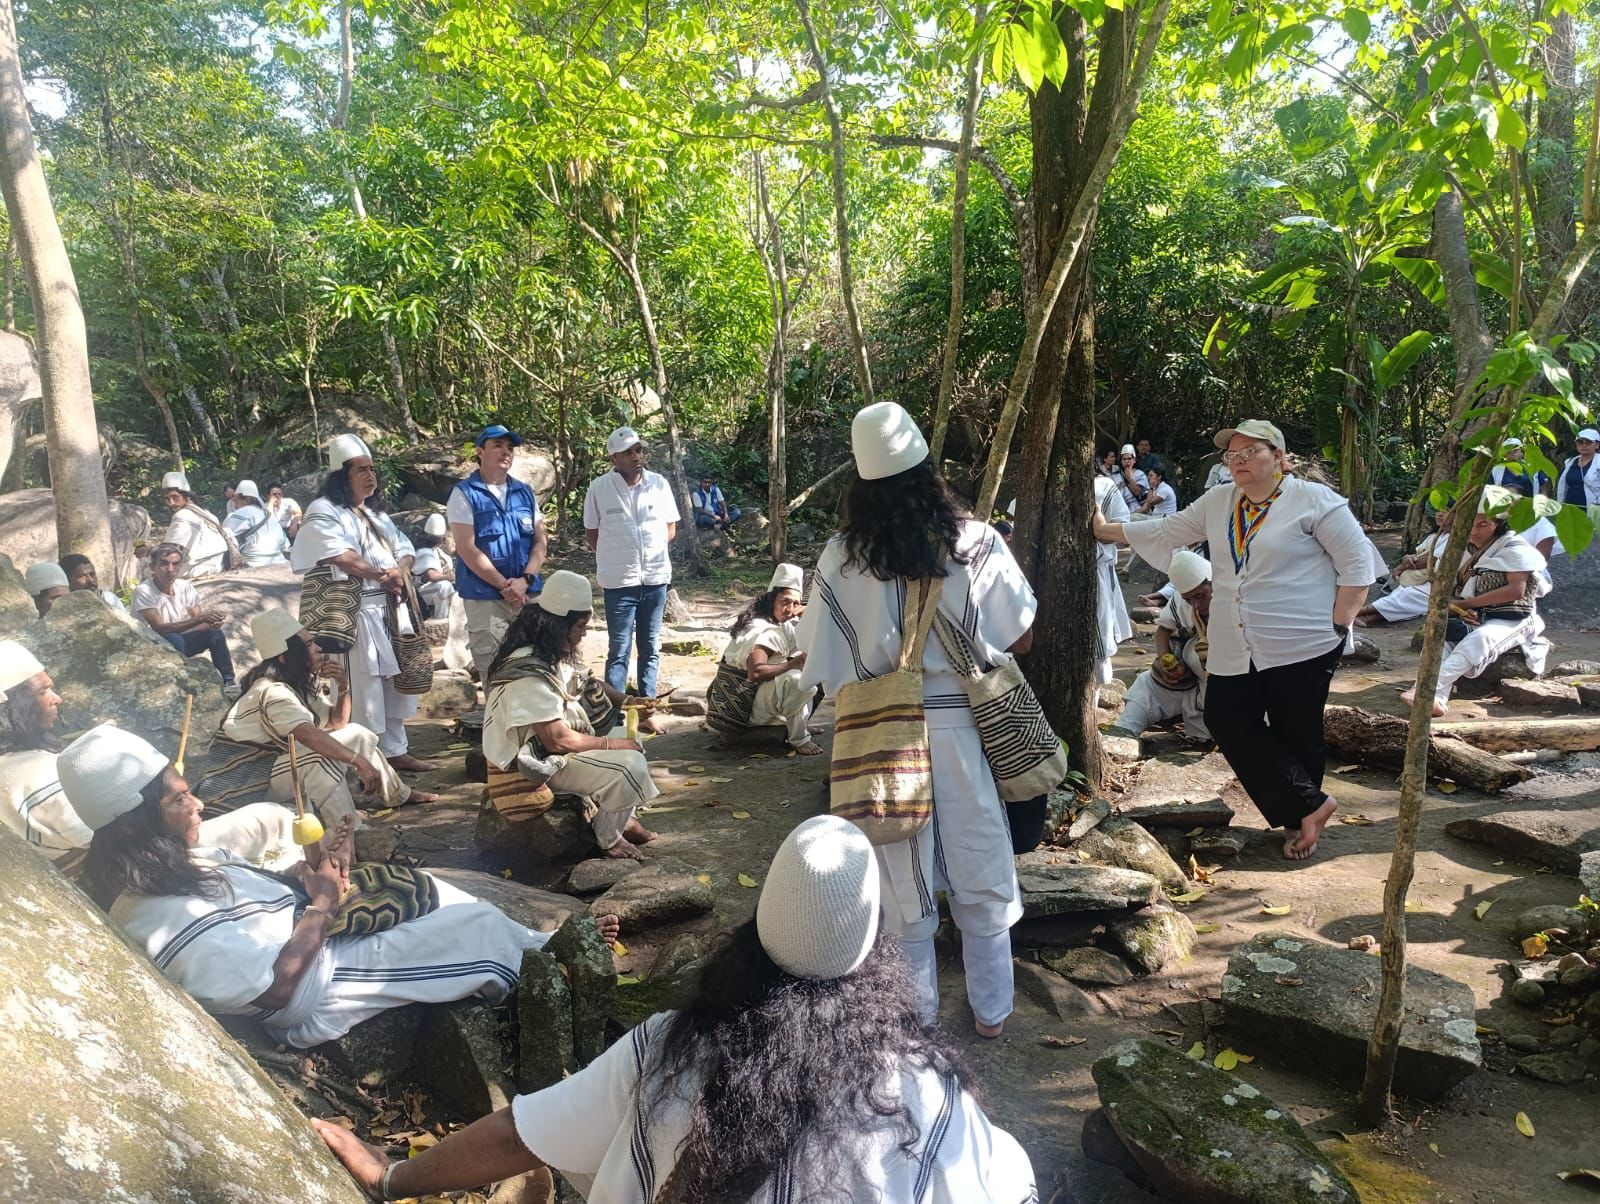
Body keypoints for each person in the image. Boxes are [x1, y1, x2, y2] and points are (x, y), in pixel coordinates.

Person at [314, 814, 1036, 1204]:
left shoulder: (672, 1049)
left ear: (754, 930)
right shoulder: (925, 1086)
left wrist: (390, 1176)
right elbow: (998, 1177)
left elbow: (520, 1134)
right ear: (877, 951)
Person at [66, 723, 619, 1048]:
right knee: (475, 930)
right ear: (133, 825)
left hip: (309, 937)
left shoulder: (176, 864)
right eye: (178, 800)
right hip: (317, 984)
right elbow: (273, 991)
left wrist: (305, 876)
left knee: (423, 885)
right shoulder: (154, 914)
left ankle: (543, 944)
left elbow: (248, 893)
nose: (198, 804)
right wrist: (324, 904)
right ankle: (547, 973)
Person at [798, 402, 1036, 1038]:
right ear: (930, 469)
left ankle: (917, 1022)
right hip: (963, 729)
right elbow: (1021, 636)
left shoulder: (841, 557)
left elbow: (819, 657)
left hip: (881, 734)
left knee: (900, 875)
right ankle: (992, 1012)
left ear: (861, 480)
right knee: (981, 862)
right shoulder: (975, 542)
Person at [1092, 419, 1373, 861]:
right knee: (1225, 718)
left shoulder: (1315, 501)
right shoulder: (1220, 500)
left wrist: (1338, 625)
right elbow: (1168, 529)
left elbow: (1358, 566)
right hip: (1234, 640)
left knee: (1297, 729)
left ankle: (1299, 819)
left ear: (1279, 458)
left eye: (1249, 452)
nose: (1238, 461)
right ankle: (1313, 804)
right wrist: (1106, 530)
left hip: (1301, 641)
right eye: (1231, 455)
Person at [1, 643, 298, 877]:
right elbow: (108, 836)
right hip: (139, 867)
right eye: (44, 691)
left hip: (125, 861)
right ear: (16, 705)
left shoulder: (16, 764)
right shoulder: (37, 772)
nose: (57, 698)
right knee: (270, 818)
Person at [482, 570, 661, 862]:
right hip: (532, 765)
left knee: (631, 739)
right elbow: (556, 740)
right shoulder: (528, 674)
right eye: (580, 626)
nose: (584, 633)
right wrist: (614, 745)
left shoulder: (544, 651)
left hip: (551, 750)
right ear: (558, 626)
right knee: (630, 765)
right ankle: (609, 838)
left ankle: (621, 815)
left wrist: (629, 702)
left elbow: (587, 680)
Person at [291, 433, 435, 773]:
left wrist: (399, 571)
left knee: (392, 685)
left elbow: (404, 548)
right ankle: (364, 759)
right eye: (361, 470)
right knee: (361, 686)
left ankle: (395, 751)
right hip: (352, 614)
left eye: (372, 469)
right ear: (342, 475)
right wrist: (384, 575)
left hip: (388, 608)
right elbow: (340, 555)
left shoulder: (374, 513)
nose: (370, 476)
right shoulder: (322, 510)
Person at [221, 609, 436, 835]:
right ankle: (353, 834)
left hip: (274, 767)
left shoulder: (296, 683)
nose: (318, 649)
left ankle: (398, 795)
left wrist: (343, 687)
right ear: (284, 656)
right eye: (309, 645)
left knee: (357, 733)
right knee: (317, 759)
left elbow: (336, 723)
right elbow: (308, 735)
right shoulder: (272, 691)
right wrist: (357, 760)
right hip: (251, 782)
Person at [1400, 504, 1551, 717]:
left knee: (1480, 638)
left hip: (1513, 618)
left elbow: (1516, 591)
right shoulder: (1459, 549)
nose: (1474, 531)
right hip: (1472, 615)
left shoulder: (1514, 546)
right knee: (1440, 637)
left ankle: (1424, 690)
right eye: (1470, 524)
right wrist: (1457, 608)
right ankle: (1437, 698)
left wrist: (1468, 605)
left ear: (1498, 524)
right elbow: (1448, 590)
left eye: (1483, 524)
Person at [583, 425, 681, 734]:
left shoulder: (659, 484)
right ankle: (614, 716)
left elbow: (670, 529)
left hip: (655, 580)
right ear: (614, 458)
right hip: (619, 583)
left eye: (639, 450)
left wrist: (649, 555)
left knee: (650, 647)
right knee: (619, 650)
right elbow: (592, 534)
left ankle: (647, 711)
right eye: (628, 452)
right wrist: (617, 558)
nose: (637, 456)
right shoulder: (599, 489)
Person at [448, 424, 548, 682]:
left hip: (528, 594)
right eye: (498, 446)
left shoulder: (524, 492)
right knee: (495, 669)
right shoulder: (464, 494)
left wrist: (525, 580)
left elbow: (540, 542)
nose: (506, 452)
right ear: (480, 452)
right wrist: (506, 586)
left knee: (537, 664)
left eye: (510, 447)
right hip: (486, 599)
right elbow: (467, 548)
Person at [707, 563, 821, 755]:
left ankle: (800, 724)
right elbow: (756, 672)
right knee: (797, 681)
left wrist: (806, 618)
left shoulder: (781, 623)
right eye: (785, 601)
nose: (790, 609)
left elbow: (808, 645)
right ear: (771, 598)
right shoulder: (763, 628)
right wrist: (793, 664)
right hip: (743, 707)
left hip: (752, 698)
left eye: (795, 604)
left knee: (813, 671)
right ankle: (799, 739)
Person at [1110, 550, 1212, 744]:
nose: (1196, 605)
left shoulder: (1234, 600)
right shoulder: (1182, 601)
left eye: (1201, 595)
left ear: (1213, 583)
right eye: (1189, 599)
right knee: (1146, 685)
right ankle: (1121, 738)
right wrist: (1166, 661)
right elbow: (1164, 629)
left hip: (1225, 685)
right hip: (1190, 679)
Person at [133, 543, 239, 697]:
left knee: (215, 634)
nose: (170, 569)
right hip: (152, 646)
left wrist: (212, 623)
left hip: (180, 642)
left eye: (175, 564)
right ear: (152, 567)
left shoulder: (184, 587)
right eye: (164, 564)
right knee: (173, 637)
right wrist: (201, 619)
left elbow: (198, 621)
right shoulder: (144, 591)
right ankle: (184, 682)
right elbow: (160, 628)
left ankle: (229, 681)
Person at [1356, 507, 1453, 626]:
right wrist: (1407, 558)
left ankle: (1359, 613)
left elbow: (1428, 561)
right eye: (1438, 511)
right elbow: (1417, 555)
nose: (1439, 514)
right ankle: (1366, 616)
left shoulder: (1454, 539)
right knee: (1404, 593)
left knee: (1410, 596)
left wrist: (1402, 566)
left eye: (1445, 511)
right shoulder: (1435, 536)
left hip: (1440, 582)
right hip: (1423, 579)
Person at [1092, 473, 1133, 699]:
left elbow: (1122, 528)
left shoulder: (1101, 485)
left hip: (1095, 570)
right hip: (1048, 573)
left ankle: (1093, 703)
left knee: (1099, 635)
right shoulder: (1041, 480)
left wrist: (1099, 531)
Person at [159, 470, 231, 578]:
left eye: (175, 497)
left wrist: (147, 551)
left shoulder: (183, 515)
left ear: (186, 497)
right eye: (167, 499)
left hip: (201, 568)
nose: (171, 503)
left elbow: (168, 551)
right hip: (219, 564)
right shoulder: (206, 513)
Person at [223, 479, 292, 567]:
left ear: (247, 499)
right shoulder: (269, 516)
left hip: (253, 564)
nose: (235, 504)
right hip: (279, 561)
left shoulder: (240, 513)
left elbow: (224, 538)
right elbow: (285, 544)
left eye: (236, 500)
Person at [412, 513, 457, 619]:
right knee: (444, 586)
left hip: (427, 589)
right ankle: (440, 619)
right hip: (417, 593)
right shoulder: (423, 551)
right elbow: (431, 575)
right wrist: (448, 577)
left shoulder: (436, 551)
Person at [59, 553, 128, 613]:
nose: (91, 580)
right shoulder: (61, 606)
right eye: (81, 576)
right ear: (67, 580)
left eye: (92, 574)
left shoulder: (109, 599)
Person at [1557, 427, 1600, 505]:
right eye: (1580, 442)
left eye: (1588, 442)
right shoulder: (1570, 462)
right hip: (1569, 507)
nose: (1584, 445)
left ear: (1597, 445)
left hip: (1593, 509)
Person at [1115, 443, 1149, 510]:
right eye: (1124, 459)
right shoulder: (1116, 475)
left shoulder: (1140, 474)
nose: (1127, 461)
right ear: (1121, 461)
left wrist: (1130, 479)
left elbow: (1137, 492)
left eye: (1129, 459)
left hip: (1137, 509)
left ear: (1134, 460)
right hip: (1120, 508)